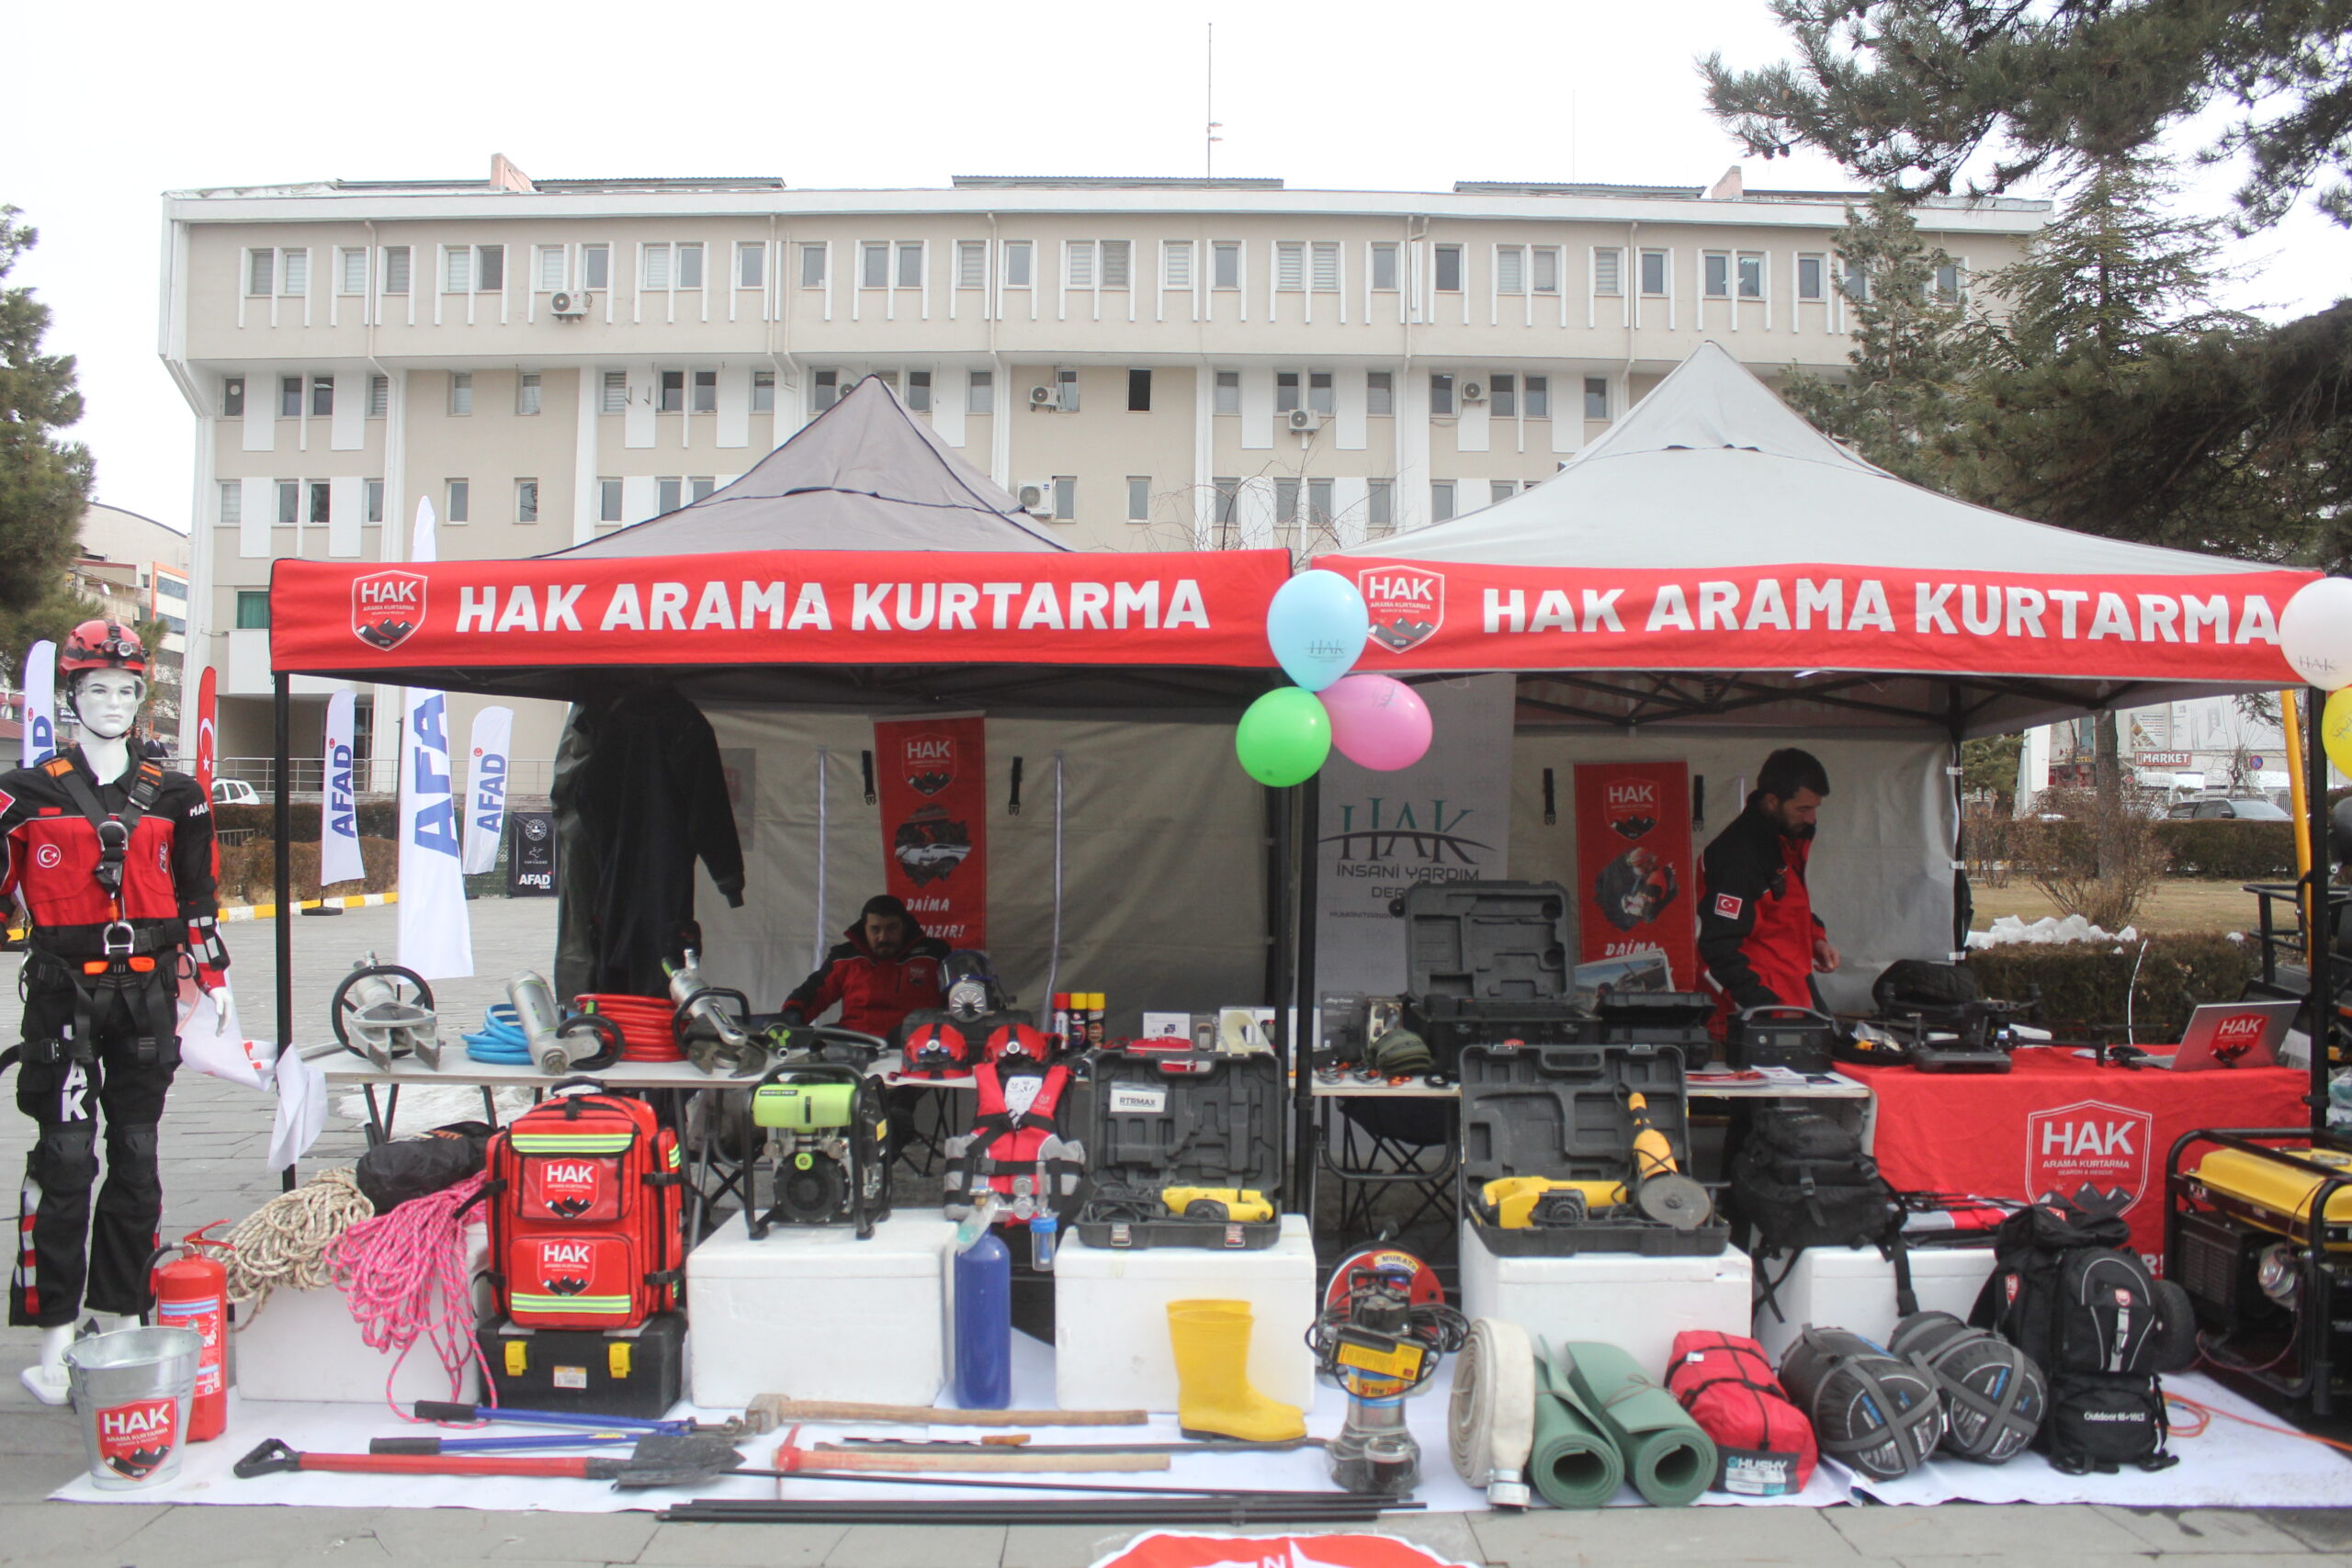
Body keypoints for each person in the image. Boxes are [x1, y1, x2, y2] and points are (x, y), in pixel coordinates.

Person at [0, 623, 225, 1404]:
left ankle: (121, 1310)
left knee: (136, 1157)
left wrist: (216, 978)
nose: (111, 702)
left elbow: (199, 896)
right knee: (64, 1161)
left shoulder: (176, 792)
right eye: (95, 688)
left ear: (140, 697)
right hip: (63, 994)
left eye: (126, 689)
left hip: (148, 995)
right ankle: (56, 1331)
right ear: (71, 695)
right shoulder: (23, 793)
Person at [1697, 748, 1839, 1039]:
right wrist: (1766, 1009)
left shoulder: (1785, 840)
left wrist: (1816, 939)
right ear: (1772, 801)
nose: (1812, 819)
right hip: (1753, 1021)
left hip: (1792, 1001)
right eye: (1803, 809)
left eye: (1815, 808)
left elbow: (1787, 907)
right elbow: (1716, 949)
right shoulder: (1735, 857)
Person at [781, 895, 948, 1042]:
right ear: (864, 928)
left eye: (891, 928)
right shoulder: (845, 957)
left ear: (904, 927)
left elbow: (960, 997)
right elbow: (813, 992)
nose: (883, 937)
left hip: (919, 1044)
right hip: (855, 1043)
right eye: (875, 929)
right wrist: (792, 1015)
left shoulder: (934, 954)